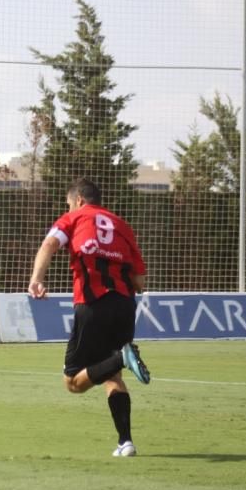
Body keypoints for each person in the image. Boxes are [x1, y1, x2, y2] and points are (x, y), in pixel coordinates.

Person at [28, 177, 150, 457]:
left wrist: (36, 279)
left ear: (79, 201)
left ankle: (123, 357)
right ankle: (126, 442)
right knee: (111, 375)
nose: (69, 208)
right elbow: (140, 280)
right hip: (125, 305)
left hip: (93, 302)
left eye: (69, 204)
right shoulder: (122, 226)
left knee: (72, 383)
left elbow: (49, 244)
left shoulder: (73, 218)